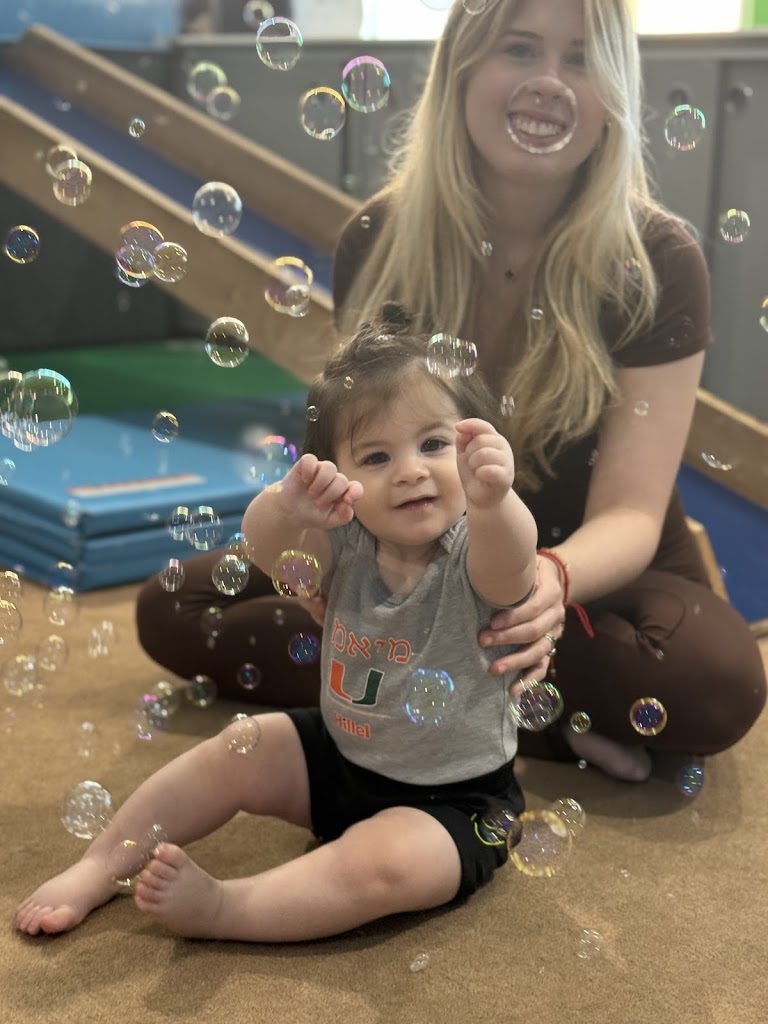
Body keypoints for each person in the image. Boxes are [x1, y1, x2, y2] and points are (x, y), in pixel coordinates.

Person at [136, 0, 766, 782]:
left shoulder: (658, 259)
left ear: (614, 92)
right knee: (174, 606)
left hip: (591, 563)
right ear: (461, 70)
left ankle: (415, 703)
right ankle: (518, 721)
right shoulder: (380, 239)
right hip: (411, 549)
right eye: (520, 49)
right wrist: (314, 566)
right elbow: (353, 452)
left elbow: (632, 512)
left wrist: (551, 579)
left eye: (580, 59)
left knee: (715, 680)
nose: (549, 81)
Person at [15, 320, 539, 939]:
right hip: (339, 757)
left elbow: (512, 566)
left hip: (456, 802)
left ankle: (226, 908)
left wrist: (495, 500)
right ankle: (101, 864)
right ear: (337, 473)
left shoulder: (477, 545)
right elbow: (277, 558)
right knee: (239, 747)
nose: (408, 471)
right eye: (376, 457)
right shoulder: (348, 535)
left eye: (434, 444)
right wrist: (288, 508)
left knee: (388, 865)